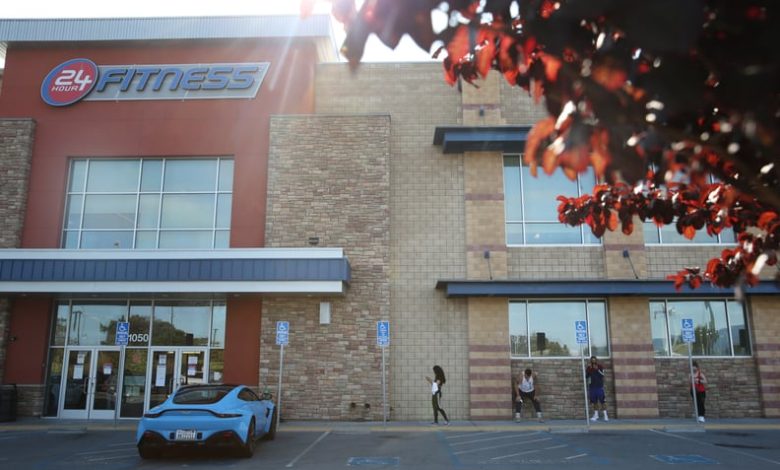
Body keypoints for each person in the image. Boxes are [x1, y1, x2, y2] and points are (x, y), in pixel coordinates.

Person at [586, 355, 608, 421]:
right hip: (592, 387)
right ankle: (596, 415)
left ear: (596, 360)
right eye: (592, 360)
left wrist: (597, 369)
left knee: (602, 401)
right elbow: (586, 377)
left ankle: (605, 415)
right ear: (591, 361)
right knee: (594, 402)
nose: (593, 361)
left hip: (599, 387)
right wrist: (589, 370)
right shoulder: (589, 368)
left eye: (594, 360)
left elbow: (603, 375)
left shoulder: (600, 367)